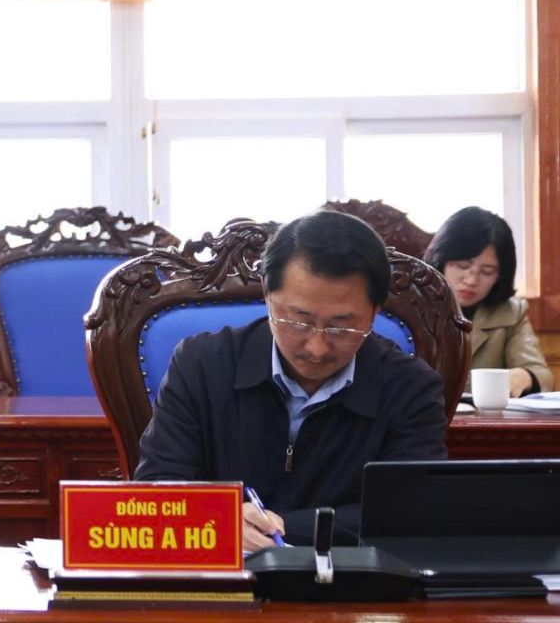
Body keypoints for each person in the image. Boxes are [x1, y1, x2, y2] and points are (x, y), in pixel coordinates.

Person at [135, 210, 447, 550]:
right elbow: (158, 489)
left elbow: (408, 513)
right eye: (298, 322)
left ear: (375, 311)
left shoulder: (410, 388)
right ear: (267, 296)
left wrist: (281, 529)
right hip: (221, 569)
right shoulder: (201, 364)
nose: (317, 348)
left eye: (342, 326)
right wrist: (220, 518)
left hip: (345, 578)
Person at [426, 206, 552, 398]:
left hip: (480, 415)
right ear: (440, 261)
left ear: (501, 275)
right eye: (463, 266)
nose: (471, 280)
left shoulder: (511, 313)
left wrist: (524, 376)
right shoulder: (409, 305)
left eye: (487, 272)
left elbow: (541, 374)